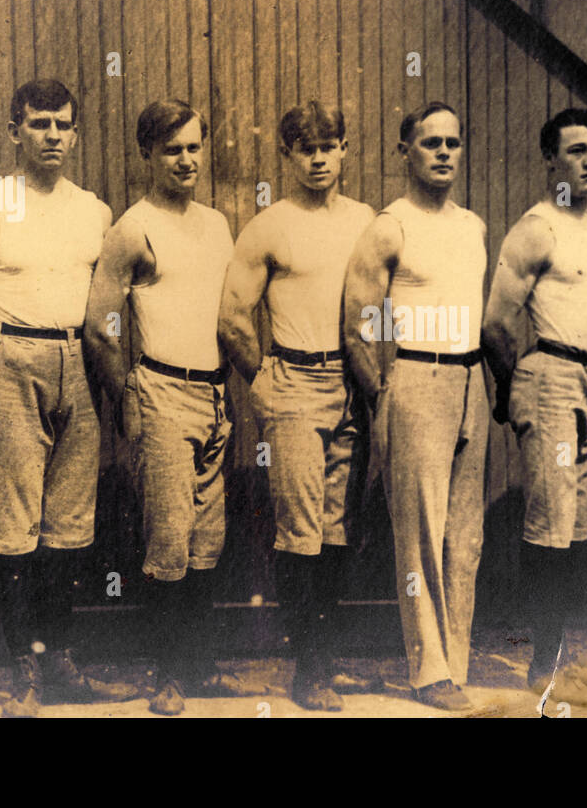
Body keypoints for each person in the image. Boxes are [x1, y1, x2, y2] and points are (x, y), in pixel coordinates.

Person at [0, 79, 133, 717]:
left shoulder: (95, 212)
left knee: (69, 527)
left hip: (79, 360)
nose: (52, 135)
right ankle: (23, 670)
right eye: (39, 123)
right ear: (15, 129)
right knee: (15, 527)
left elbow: (107, 312)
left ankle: (61, 661)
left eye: (62, 125)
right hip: (12, 358)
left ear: (75, 134)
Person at [217, 102, 376, 712]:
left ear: (344, 149)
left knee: (338, 528)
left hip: (353, 383)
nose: (318, 158)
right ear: (286, 154)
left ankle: (327, 663)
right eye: (305, 147)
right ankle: (307, 670)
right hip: (295, 381)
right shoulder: (269, 226)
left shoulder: (366, 220)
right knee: (301, 531)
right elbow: (233, 317)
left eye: (328, 145)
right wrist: (265, 381)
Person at [85, 100, 239, 715]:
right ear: (147, 154)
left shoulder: (218, 223)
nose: (186, 159)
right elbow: (100, 325)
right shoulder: (132, 227)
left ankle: (199, 668)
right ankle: (167, 676)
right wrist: (129, 394)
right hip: (160, 391)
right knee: (169, 540)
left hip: (215, 395)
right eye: (172, 149)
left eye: (194, 147)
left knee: (208, 540)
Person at [342, 102, 488, 711]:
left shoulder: (474, 225)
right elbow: (358, 323)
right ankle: (428, 671)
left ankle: (455, 662)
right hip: (416, 379)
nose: (445, 153)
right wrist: (385, 394)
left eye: (453, 142)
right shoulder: (389, 226)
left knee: (465, 535)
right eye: (431, 143)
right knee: (420, 534)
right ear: (406, 152)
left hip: (470, 379)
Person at [481, 108, 587, 706]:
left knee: (576, 527)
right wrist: (519, 386)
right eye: (575, 151)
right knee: (550, 526)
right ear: (551, 161)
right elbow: (495, 323)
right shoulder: (537, 229)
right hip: (550, 377)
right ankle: (542, 668)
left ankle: (560, 659)